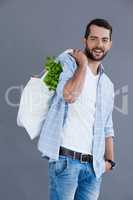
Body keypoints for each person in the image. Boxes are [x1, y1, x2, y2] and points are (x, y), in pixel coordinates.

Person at [38, 18, 116, 200]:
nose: (99, 45)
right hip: (66, 161)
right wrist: (82, 65)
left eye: (104, 40)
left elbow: (107, 125)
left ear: (110, 44)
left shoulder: (107, 84)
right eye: (94, 38)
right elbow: (69, 95)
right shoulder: (69, 62)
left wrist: (110, 161)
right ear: (85, 41)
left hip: (93, 168)